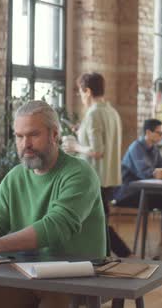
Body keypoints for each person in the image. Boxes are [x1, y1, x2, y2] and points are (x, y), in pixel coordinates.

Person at [0, 100, 106, 308]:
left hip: (75, 280)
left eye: (34, 134)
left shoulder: (80, 174)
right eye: (19, 136)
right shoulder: (15, 176)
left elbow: (56, 226)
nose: (26, 144)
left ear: (54, 135)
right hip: (26, 274)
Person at [62, 72, 132, 257]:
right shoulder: (112, 112)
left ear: (88, 91)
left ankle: (122, 253)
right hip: (109, 176)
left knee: (94, 222)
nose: (81, 97)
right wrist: (81, 130)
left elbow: (97, 151)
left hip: (94, 177)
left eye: (80, 92)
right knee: (99, 220)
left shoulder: (93, 114)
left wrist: (74, 146)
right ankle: (114, 255)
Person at [114, 118, 162, 252]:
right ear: (148, 132)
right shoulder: (136, 147)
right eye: (159, 133)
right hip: (128, 192)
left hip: (144, 191)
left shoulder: (154, 149)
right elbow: (145, 173)